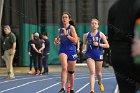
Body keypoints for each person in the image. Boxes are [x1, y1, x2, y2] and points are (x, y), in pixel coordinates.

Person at [108, 0, 140, 93]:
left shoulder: (113, 7)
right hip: (135, 54)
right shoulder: (137, 5)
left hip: (118, 56)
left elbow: (110, 36)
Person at [82, 18, 109, 93]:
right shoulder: (86, 35)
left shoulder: (101, 34)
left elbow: (107, 45)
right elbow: (84, 44)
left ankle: (100, 82)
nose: (94, 25)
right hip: (90, 55)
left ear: (98, 25)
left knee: (98, 73)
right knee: (92, 72)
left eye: (95, 23)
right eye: (92, 23)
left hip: (98, 55)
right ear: (90, 25)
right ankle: (92, 89)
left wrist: (99, 44)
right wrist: (83, 49)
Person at [54, 12, 78, 93]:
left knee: (71, 72)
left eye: (66, 17)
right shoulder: (60, 30)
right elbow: (59, 41)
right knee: (64, 68)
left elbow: (75, 41)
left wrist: (67, 35)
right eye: (63, 17)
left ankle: (72, 89)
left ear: (69, 19)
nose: (64, 19)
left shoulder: (71, 28)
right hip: (63, 50)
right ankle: (63, 88)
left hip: (71, 50)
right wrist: (57, 41)